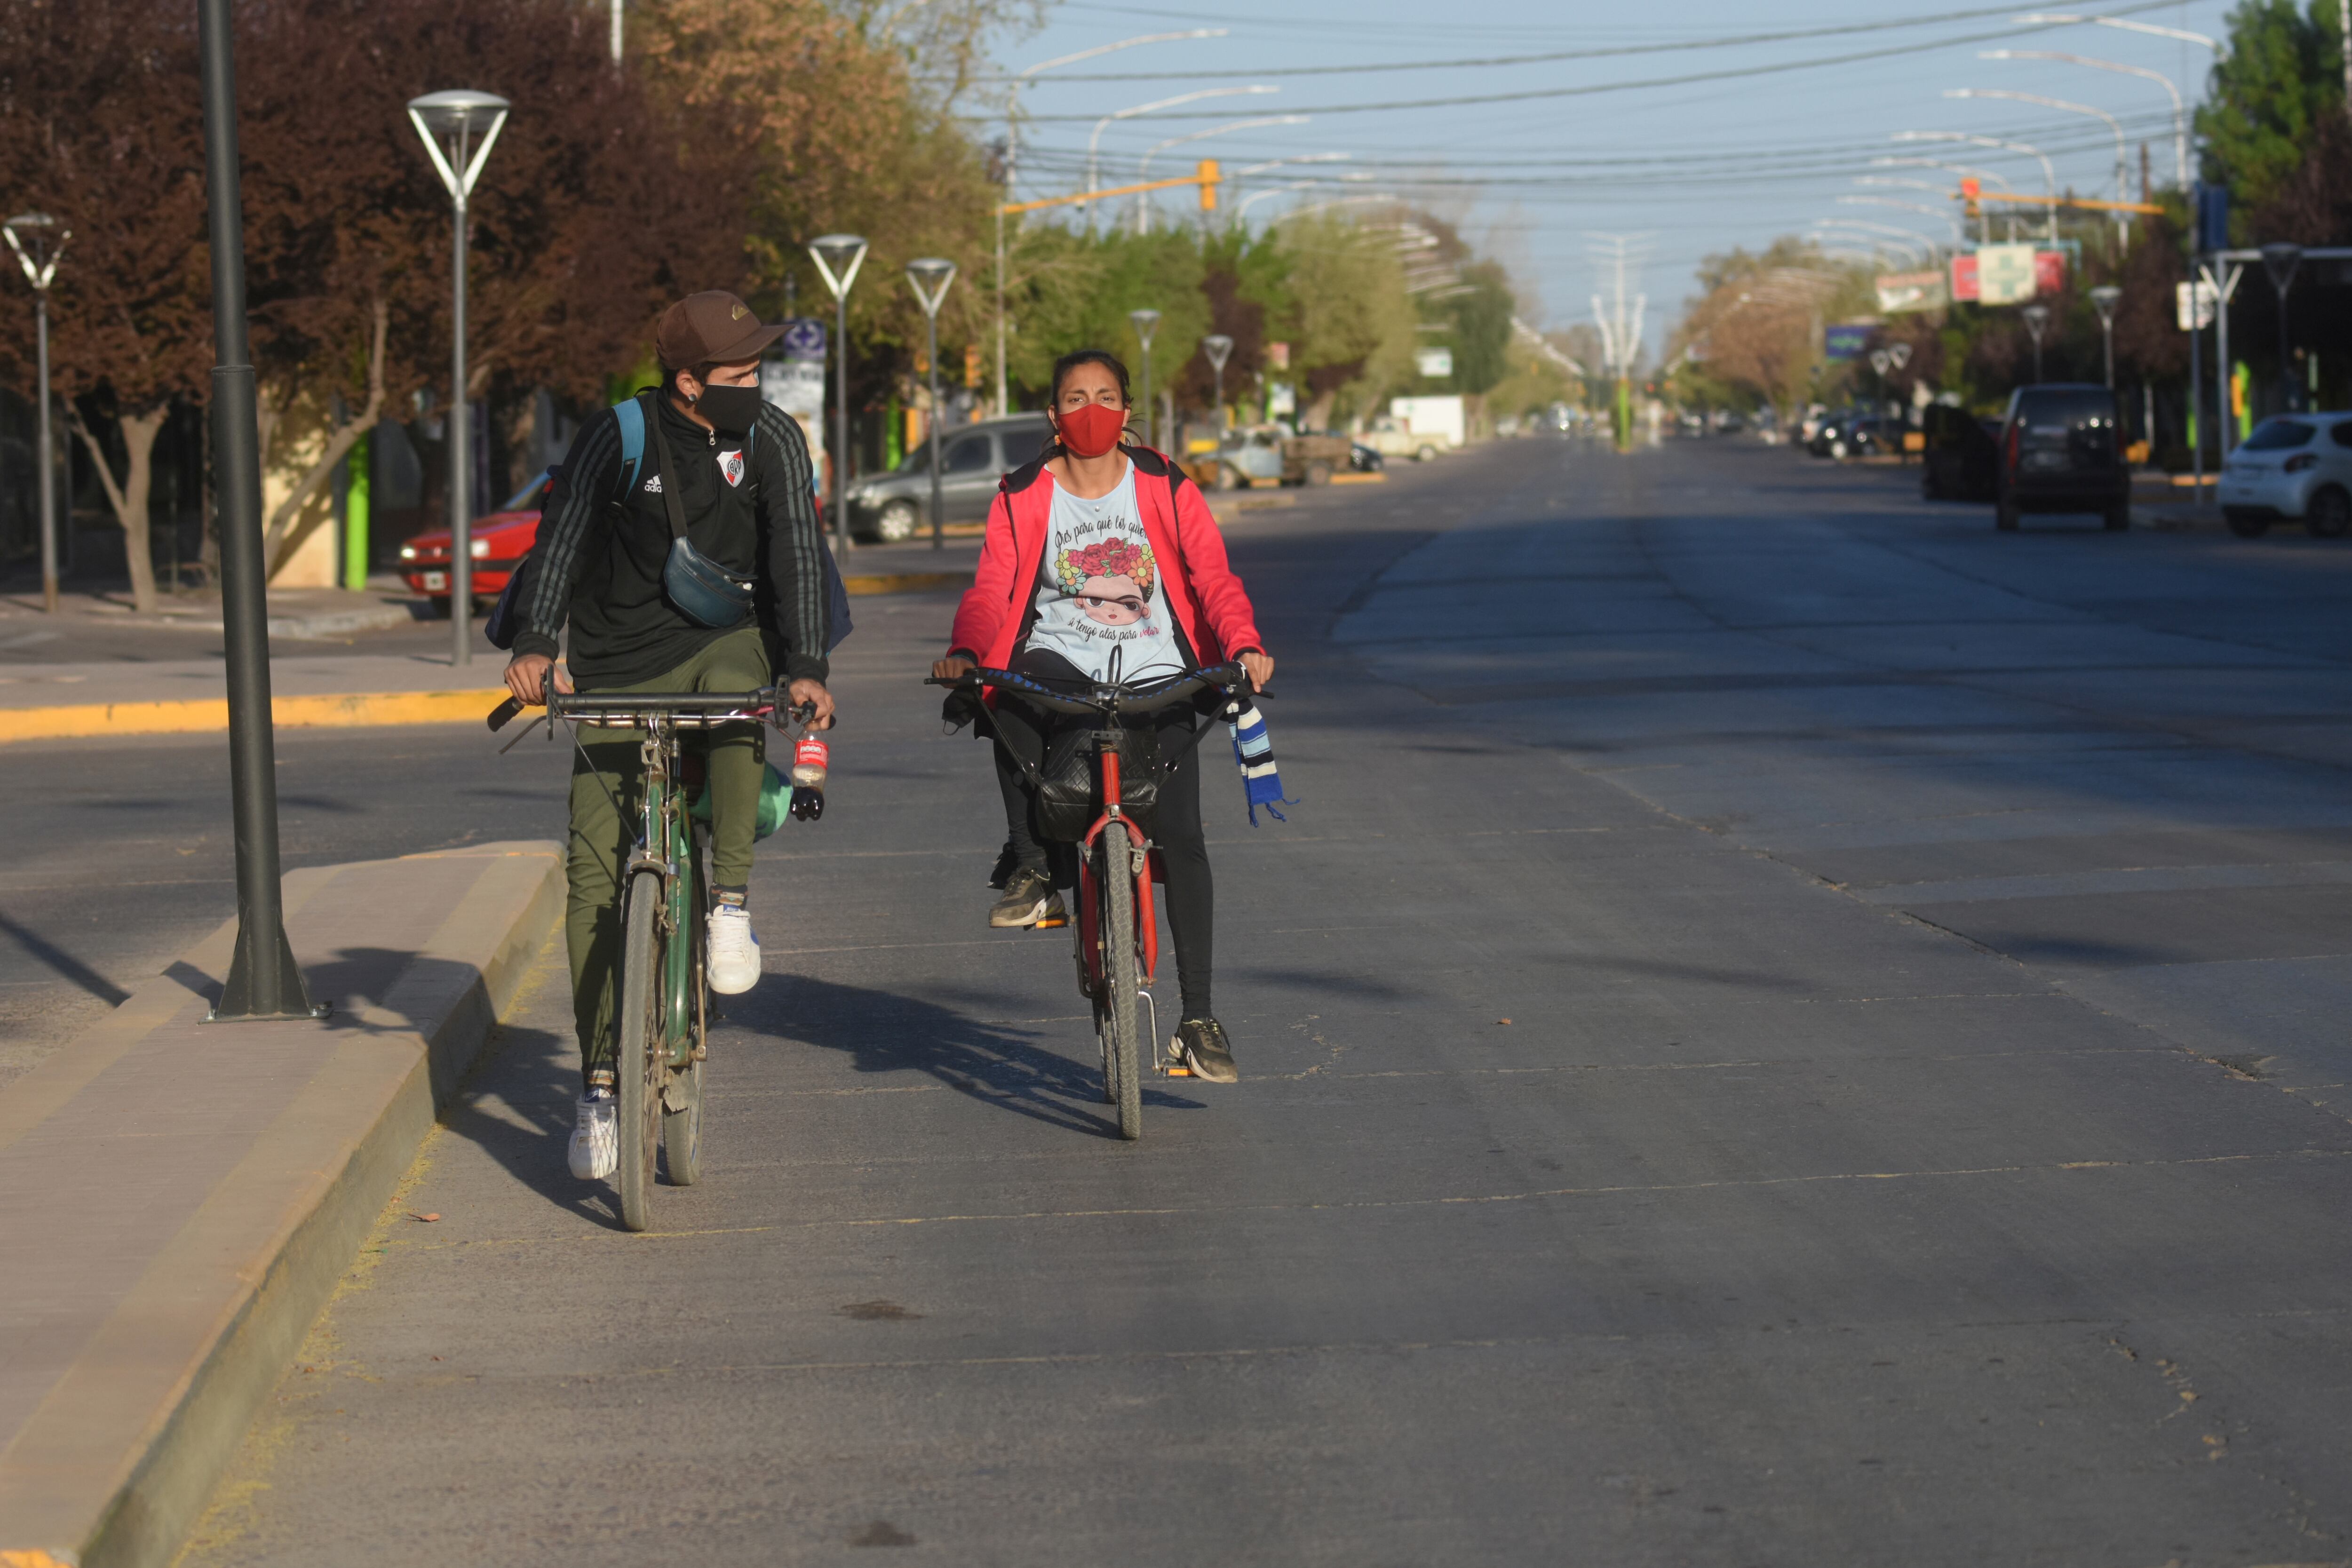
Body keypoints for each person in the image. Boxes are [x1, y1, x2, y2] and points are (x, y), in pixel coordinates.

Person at [505, 290, 836, 1180]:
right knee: (591, 878)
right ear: (688, 382)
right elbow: (562, 535)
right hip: (616, 662)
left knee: (739, 693)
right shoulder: (620, 434)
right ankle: (601, 1086)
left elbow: (798, 550)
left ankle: (728, 903)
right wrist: (538, 641)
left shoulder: (770, 437)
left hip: (723, 637)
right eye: (738, 373)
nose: (755, 384)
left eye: (759, 369)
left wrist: (806, 663)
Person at [932, 349, 1272, 1083]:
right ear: (1054, 416)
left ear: (1126, 413)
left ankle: (1199, 1019)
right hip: (1060, 666)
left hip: (1161, 674)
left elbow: (1212, 575)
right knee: (1001, 693)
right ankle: (1031, 869)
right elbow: (993, 587)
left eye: (1107, 396)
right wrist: (965, 649)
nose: (1093, 409)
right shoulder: (1024, 493)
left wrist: (1242, 642)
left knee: (1181, 835)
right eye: (1077, 397)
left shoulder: (1164, 484)